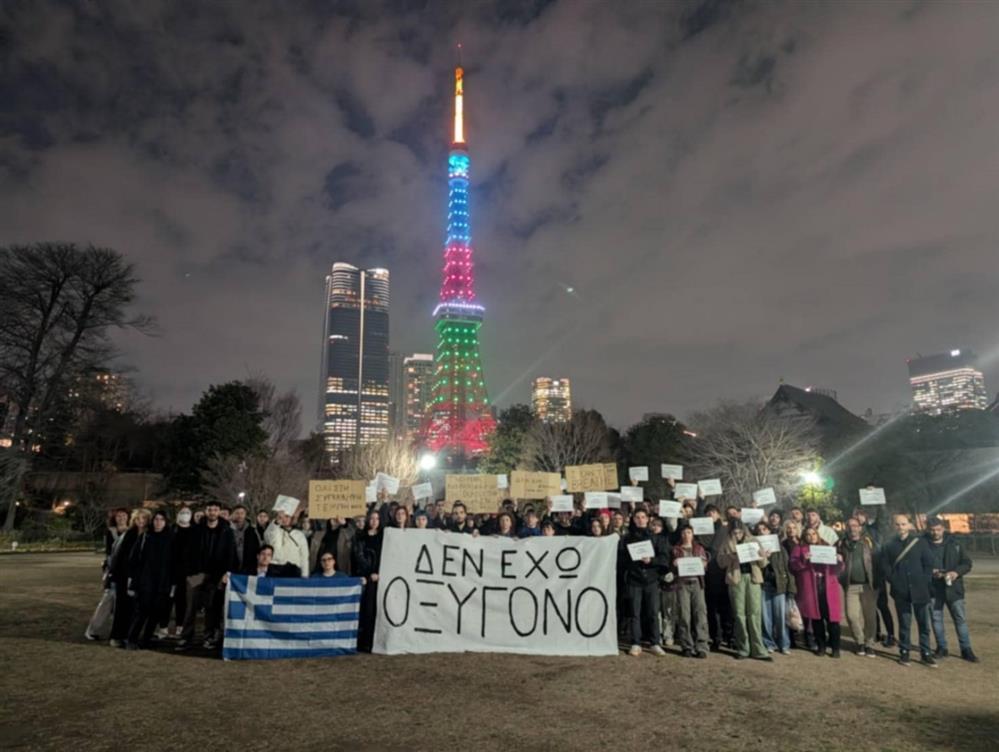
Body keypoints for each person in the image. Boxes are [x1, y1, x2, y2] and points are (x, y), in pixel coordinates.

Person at [176, 501, 236, 651]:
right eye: (210, 510)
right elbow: (186, 552)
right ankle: (186, 637)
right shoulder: (195, 530)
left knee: (211, 608)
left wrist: (227, 572)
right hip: (196, 574)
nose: (212, 512)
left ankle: (208, 637)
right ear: (206, 511)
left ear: (219, 512)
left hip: (216, 575)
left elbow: (231, 554)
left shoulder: (227, 531)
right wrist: (189, 572)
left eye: (215, 510)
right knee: (190, 607)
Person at [881, 514, 937, 667]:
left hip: (920, 589)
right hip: (901, 590)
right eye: (897, 524)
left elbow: (929, 563)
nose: (900, 527)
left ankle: (926, 653)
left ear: (909, 525)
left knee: (923, 624)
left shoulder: (920, 542)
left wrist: (924, 580)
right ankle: (904, 651)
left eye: (903, 524)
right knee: (904, 624)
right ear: (893, 526)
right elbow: (885, 565)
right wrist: (893, 580)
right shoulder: (889, 544)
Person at [715, 521, 772, 661]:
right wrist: (731, 556)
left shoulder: (753, 541)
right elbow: (720, 562)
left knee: (755, 613)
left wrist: (762, 555)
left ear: (744, 531)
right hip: (736, 579)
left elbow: (763, 564)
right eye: (734, 532)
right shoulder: (726, 542)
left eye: (739, 532)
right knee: (739, 614)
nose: (737, 535)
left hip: (753, 579)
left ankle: (758, 649)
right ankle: (743, 648)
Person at [925, 517, 977, 662]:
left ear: (943, 528)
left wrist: (956, 573)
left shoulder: (955, 543)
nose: (935, 533)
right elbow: (917, 565)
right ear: (928, 530)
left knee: (960, 619)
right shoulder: (922, 545)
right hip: (933, 589)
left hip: (954, 588)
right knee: (936, 619)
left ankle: (966, 649)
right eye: (932, 530)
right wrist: (930, 572)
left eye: (938, 529)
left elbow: (967, 563)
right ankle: (942, 648)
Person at [621, 509, 670, 656]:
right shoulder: (627, 538)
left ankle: (655, 643)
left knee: (653, 612)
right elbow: (622, 560)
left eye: (643, 517)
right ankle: (636, 643)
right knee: (634, 613)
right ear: (633, 520)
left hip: (651, 580)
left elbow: (664, 559)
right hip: (634, 580)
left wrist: (651, 560)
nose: (640, 520)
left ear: (648, 519)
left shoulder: (657, 538)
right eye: (637, 517)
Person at [790, 528, 845, 657]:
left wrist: (839, 561)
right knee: (816, 619)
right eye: (808, 534)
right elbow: (793, 565)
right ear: (804, 536)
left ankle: (835, 648)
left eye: (814, 534)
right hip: (811, 588)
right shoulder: (799, 549)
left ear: (818, 535)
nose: (811, 536)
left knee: (833, 620)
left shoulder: (827, 547)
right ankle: (821, 646)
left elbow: (838, 570)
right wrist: (803, 559)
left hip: (828, 587)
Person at [126, 510, 174, 649]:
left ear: (166, 522)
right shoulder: (145, 537)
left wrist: (172, 583)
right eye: (156, 519)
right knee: (141, 612)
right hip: (145, 581)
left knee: (155, 614)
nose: (158, 522)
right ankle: (132, 639)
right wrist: (133, 580)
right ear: (152, 521)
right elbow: (134, 559)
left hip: (163, 582)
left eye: (162, 519)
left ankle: (146, 640)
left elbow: (175, 562)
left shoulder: (171, 538)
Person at [84, 508, 130, 641]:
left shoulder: (132, 530)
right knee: (107, 600)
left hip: (128, 571)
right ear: (114, 518)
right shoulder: (111, 532)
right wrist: (110, 571)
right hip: (114, 571)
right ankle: (93, 629)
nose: (121, 518)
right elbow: (110, 554)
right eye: (118, 516)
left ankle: (120, 632)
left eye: (124, 515)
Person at [108, 509, 150, 647]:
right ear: (134, 520)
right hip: (124, 576)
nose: (141, 521)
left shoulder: (150, 534)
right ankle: (116, 636)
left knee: (135, 609)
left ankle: (130, 636)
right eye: (138, 518)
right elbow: (119, 555)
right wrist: (114, 575)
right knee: (121, 607)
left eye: (144, 518)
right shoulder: (129, 534)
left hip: (142, 577)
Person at [837, 517, 878, 656]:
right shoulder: (842, 543)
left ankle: (869, 644)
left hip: (868, 585)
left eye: (855, 525)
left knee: (870, 617)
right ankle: (860, 641)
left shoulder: (868, 542)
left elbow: (878, 560)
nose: (852, 528)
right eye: (849, 526)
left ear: (860, 527)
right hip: (851, 586)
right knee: (851, 616)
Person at [671, 525, 710, 658]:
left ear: (692, 534)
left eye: (688, 532)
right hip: (682, 584)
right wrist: (674, 564)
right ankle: (686, 645)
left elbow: (705, 565)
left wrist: (704, 564)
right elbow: (671, 569)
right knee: (684, 615)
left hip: (697, 583)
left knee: (700, 614)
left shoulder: (699, 548)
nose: (686, 535)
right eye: (683, 533)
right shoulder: (676, 549)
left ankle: (702, 646)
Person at [756, 521, 795, 655]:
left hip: (779, 585)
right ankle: (769, 643)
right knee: (766, 618)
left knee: (781, 617)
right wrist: (762, 558)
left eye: (764, 529)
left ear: (769, 531)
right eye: (759, 530)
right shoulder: (755, 548)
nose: (762, 532)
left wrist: (791, 588)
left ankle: (784, 644)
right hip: (763, 585)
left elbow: (788, 569)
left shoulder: (780, 548)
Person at [353, 510, 383, 652]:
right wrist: (368, 574)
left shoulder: (384, 537)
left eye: (377, 518)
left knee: (375, 609)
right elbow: (359, 556)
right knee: (365, 609)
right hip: (365, 577)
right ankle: (364, 641)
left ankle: (373, 641)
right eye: (371, 518)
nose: (374, 521)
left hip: (379, 577)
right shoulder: (361, 537)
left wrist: (379, 572)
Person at [265, 508, 310, 577]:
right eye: (282, 517)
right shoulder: (274, 529)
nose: (284, 519)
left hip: (293, 569)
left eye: (287, 516)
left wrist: (305, 575)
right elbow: (267, 536)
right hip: (275, 567)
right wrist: (277, 522)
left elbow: (304, 557)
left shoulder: (300, 535)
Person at [229, 504, 260, 575]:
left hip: (249, 568)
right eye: (237, 513)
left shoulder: (252, 530)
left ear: (245, 514)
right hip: (231, 568)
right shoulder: (226, 530)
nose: (240, 515)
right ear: (232, 514)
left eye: (242, 513)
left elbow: (257, 547)